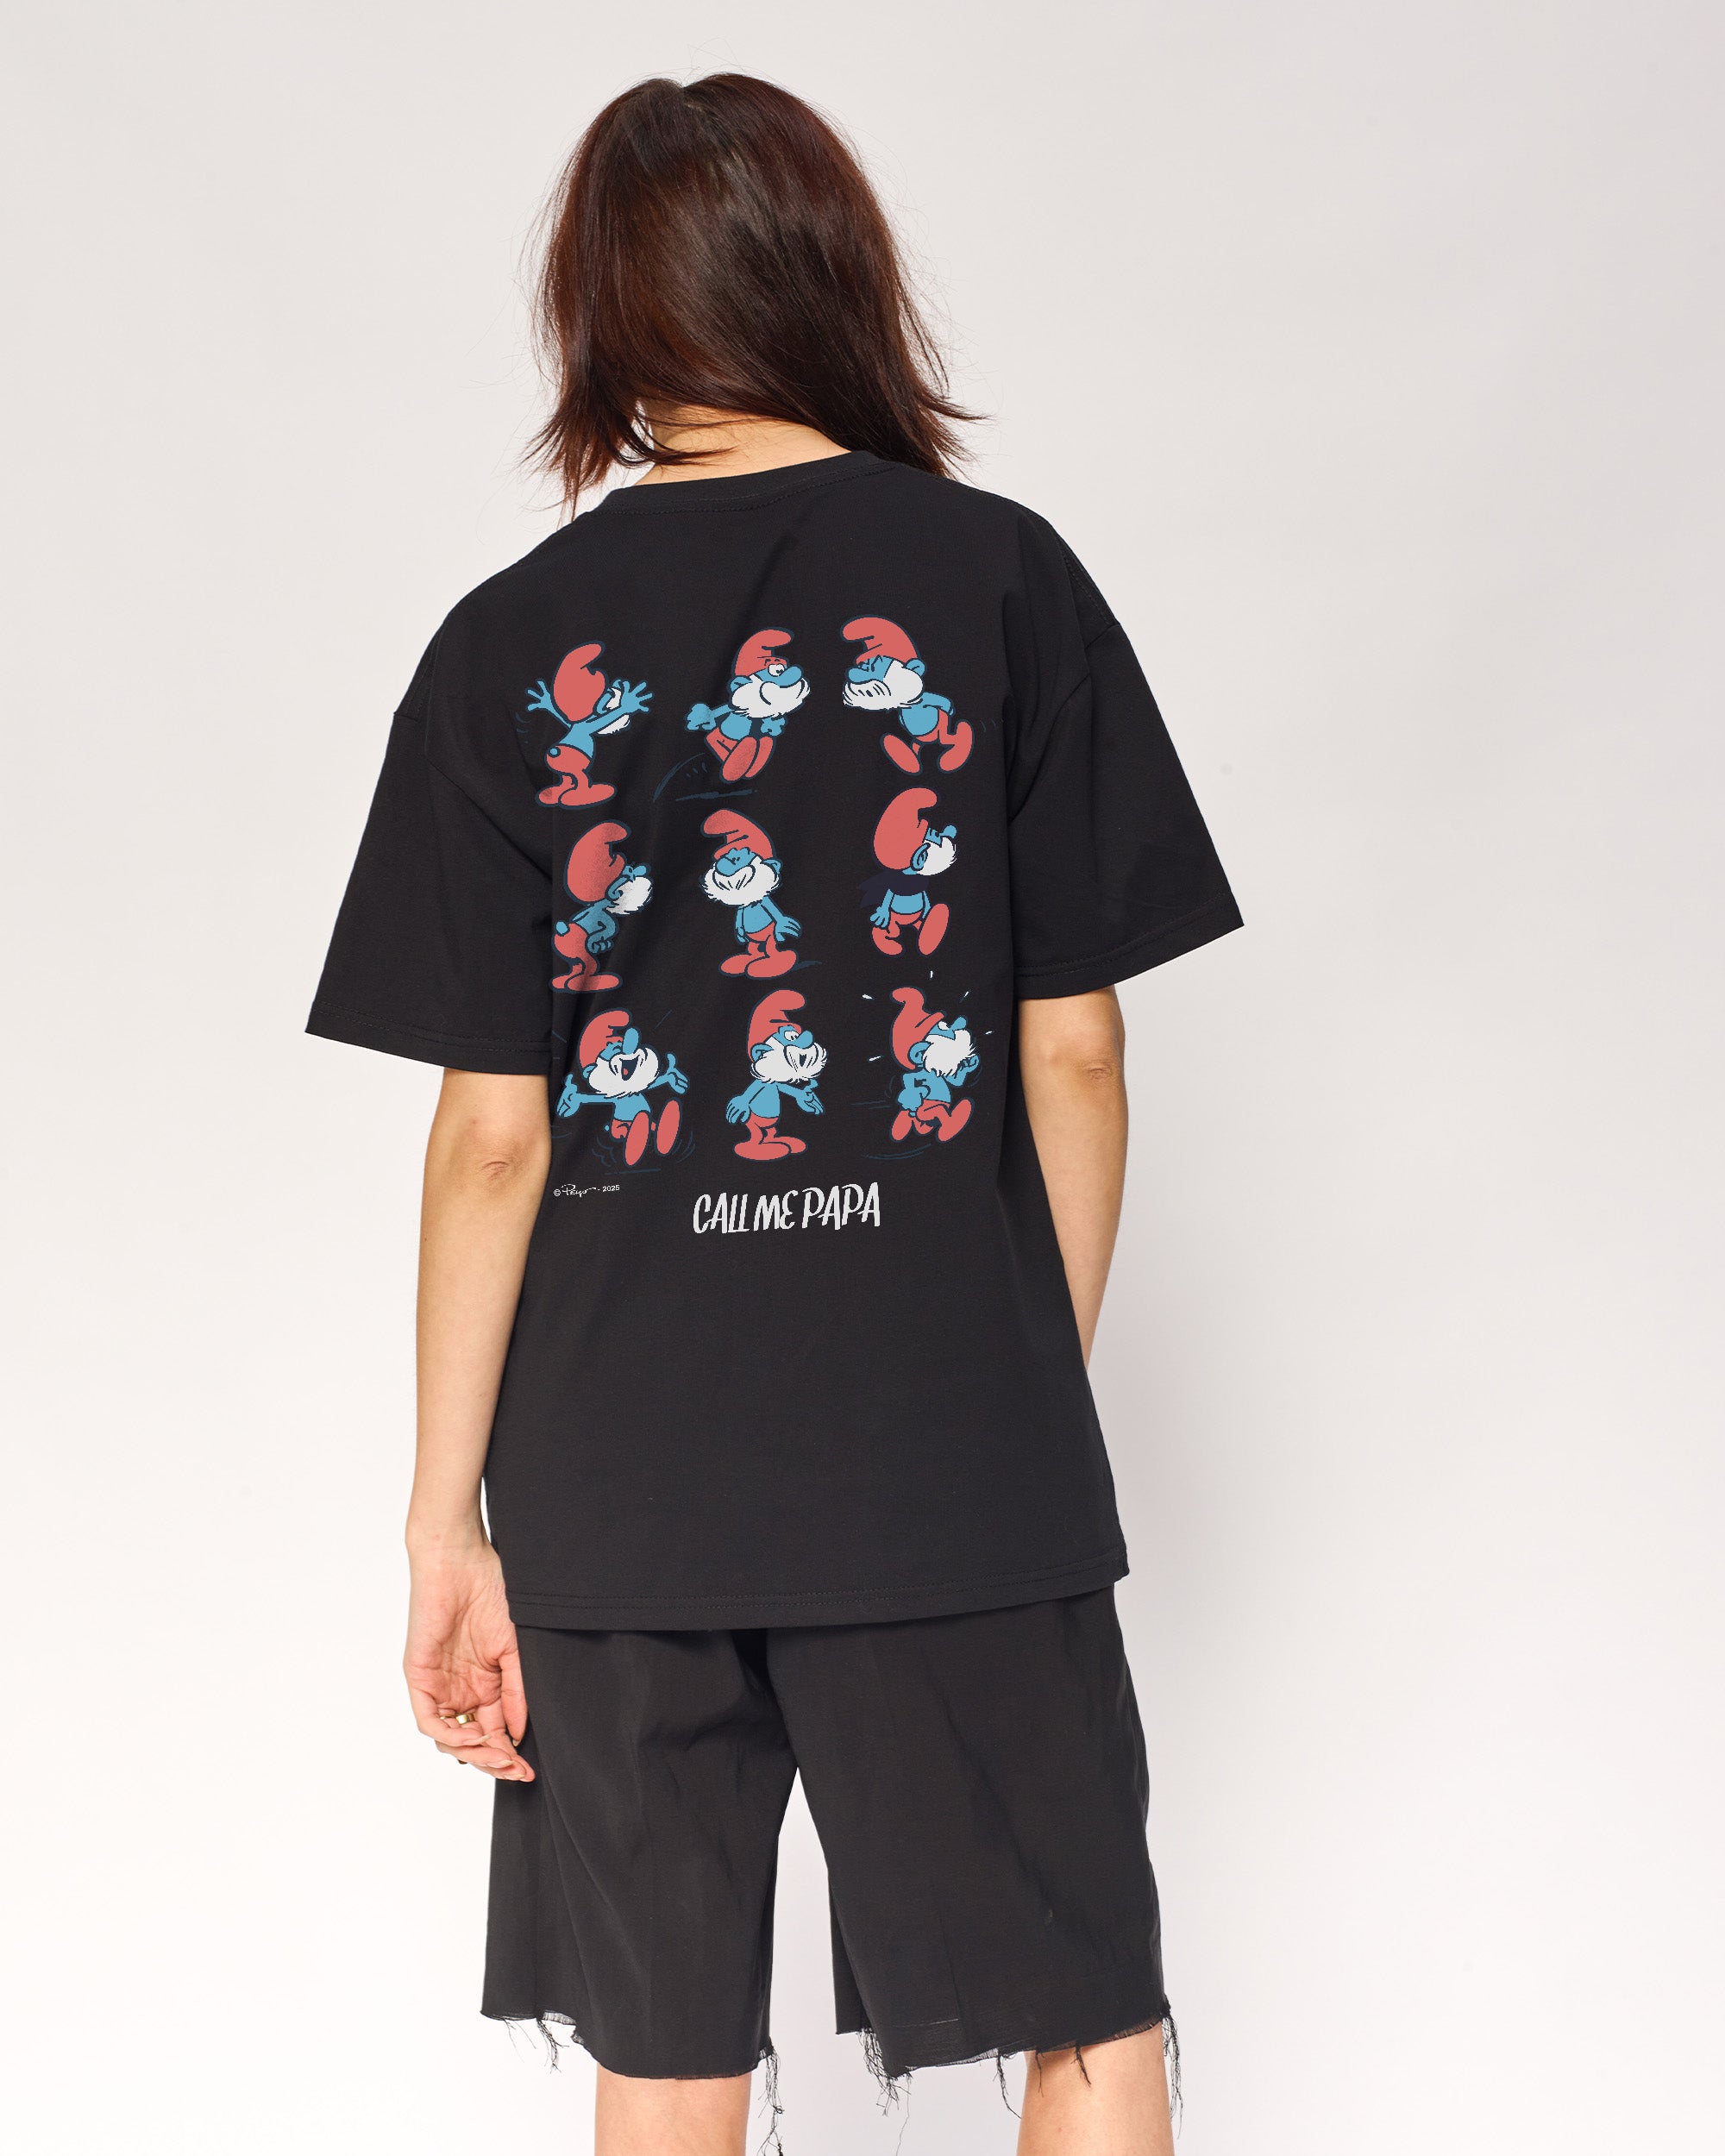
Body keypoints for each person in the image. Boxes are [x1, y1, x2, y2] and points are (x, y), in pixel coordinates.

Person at [309, 71, 1240, 2156]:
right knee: (1087, 2016)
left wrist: (446, 1521)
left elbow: (492, 1135)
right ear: (835, 276)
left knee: (662, 2057)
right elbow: (1073, 1054)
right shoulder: (1002, 581)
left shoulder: (505, 644)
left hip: (615, 1474)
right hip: (944, 1443)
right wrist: (1017, 1377)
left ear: (602, 313)